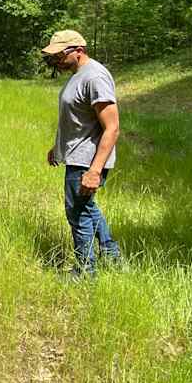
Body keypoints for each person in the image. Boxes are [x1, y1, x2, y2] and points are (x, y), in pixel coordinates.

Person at [41, 29, 121, 275]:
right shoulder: (79, 74)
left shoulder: (94, 76)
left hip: (87, 160)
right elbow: (78, 119)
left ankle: (85, 272)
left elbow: (112, 127)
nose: (56, 61)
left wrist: (95, 170)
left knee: (77, 213)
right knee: (87, 208)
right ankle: (111, 255)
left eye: (59, 55)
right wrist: (59, 146)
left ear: (78, 50)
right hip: (75, 153)